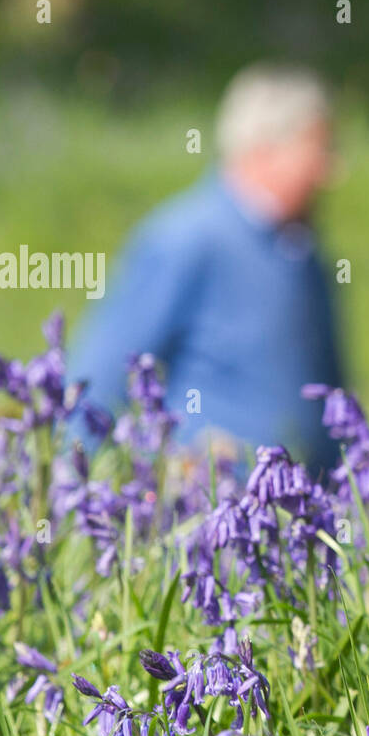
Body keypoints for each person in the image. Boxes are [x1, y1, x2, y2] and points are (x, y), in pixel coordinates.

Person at [68, 63, 345, 473]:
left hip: (306, 517)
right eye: (317, 151)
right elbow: (102, 373)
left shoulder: (304, 253)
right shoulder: (188, 238)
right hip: (215, 516)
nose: (330, 173)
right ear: (263, 149)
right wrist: (70, 487)